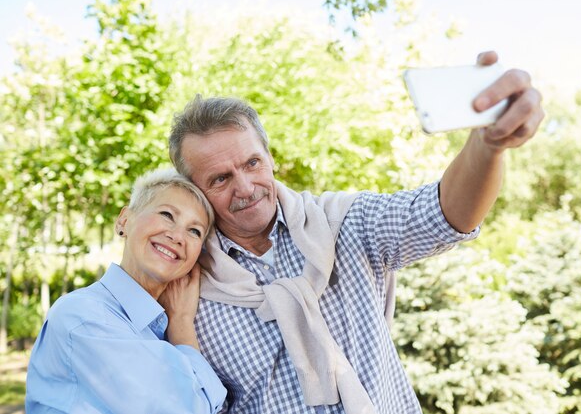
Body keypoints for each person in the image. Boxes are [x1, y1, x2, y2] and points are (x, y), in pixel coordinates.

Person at [168, 51, 543, 414]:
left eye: (252, 163)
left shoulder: (344, 224)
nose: (246, 187)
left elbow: (443, 214)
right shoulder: (185, 284)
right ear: (195, 191)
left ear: (270, 158)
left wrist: (488, 145)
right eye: (221, 179)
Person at [25, 168, 227, 414]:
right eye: (167, 214)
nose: (177, 236)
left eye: (194, 231)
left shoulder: (158, 327)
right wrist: (182, 324)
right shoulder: (84, 318)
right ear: (124, 221)